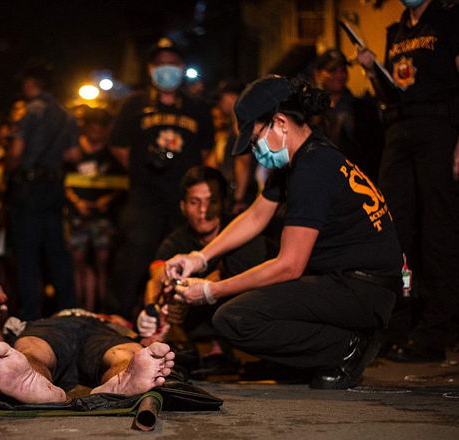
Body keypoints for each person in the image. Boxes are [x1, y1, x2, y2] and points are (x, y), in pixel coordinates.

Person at [164, 76, 402, 389]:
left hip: (362, 290)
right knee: (238, 253)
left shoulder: (311, 170)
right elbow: (255, 216)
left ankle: (345, 347)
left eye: (254, 138)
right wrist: (200, 258)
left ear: (280, 122)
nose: (254, 149)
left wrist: (212, 291)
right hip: (352, 284)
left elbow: (290, 265)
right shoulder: (306, 155)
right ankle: (315, 351)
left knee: (234, 318)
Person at [355, 0, 458, 362]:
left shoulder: (448, 19)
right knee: (395, 230)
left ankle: (433, 331)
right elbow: (390, 90)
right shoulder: (395, 31)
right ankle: (397, 325)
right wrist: (370, 71)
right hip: (398, 130)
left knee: (438, 232)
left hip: (438, 127)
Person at [108, 37, 214, 319]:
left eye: (172, 64)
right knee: (135, 258)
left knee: (183, 257)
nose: (167, 69)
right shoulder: (134, 104)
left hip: (182, 200)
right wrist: (142, 170)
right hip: (145, 197)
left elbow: (205, 151)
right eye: (160, 64)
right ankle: (125, 316)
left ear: (181, 67)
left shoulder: (197, 108)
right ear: (150, 69)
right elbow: (118, 146)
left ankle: (180, 322)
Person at [137, 166, 266, 370]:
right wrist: (151, 311)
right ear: (183, 206)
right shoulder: (176, 241)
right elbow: (156, 277)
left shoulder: (243, 236)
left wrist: (198, 292)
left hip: (246, 330)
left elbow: (226, 274)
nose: (204, 211)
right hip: (199, 335)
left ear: (223, 203)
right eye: (195, 202)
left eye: (211, 201)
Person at [0, 305, 175, 404]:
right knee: (33, 348)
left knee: (126, 352)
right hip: (54, 327)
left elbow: (148, 342)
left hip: (101, 330)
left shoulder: (115, 322)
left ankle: (126, 377)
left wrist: (151, 340)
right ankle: (30, 376)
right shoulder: (48, 319)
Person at [6, 66, 79, 320]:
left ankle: (29, 315)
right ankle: (67, 311)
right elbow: (74, 154)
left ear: (30, 84)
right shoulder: (67, 116)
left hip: (28, 189)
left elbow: (16, 152)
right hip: (54, 188)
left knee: (27, 256)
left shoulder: (28, 112)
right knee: (57, 252)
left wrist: (8, 171)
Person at [65, 108, 123, 312]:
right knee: (78, 262)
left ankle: (100, 309)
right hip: (77, 216)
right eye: (93, 129)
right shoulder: (73, 150)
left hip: (103, 218)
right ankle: (78, 306)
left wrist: (107, 199)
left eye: (101, 130)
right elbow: (63, 181)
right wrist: (76, 201)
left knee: (102, 263)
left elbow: (122, 183)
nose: (96, 134)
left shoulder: (111, 152)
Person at [311, 49, 384, 182]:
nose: (339, 75)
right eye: (332, 71)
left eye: (343, 70)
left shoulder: (362, 109)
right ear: (317, 75)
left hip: (359, 184)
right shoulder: (309, 113)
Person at [206, 83, 258, 215]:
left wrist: (238, 198)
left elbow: (243, 160)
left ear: (231, 97)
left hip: (243, 193)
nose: (219, 104)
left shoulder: (240, 124)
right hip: (237, 191)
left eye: (220, 99)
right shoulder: (235, 124)